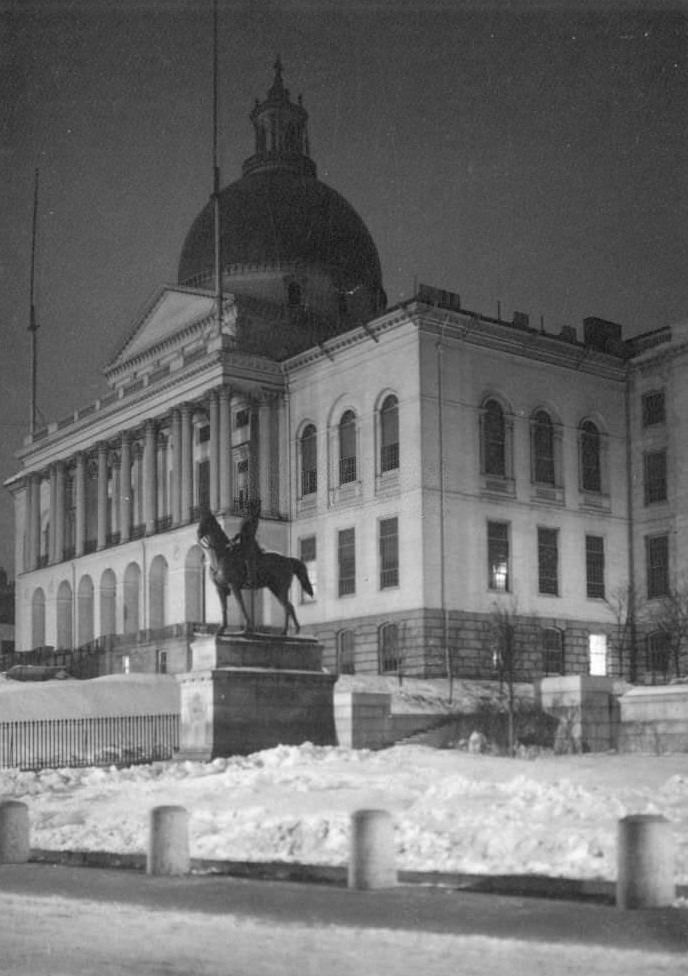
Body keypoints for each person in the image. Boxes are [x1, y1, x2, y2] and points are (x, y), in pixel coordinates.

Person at [235, 498, 262, 588]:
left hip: (249, 542)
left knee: (248, 558)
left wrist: (239, 536)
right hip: (243, 541)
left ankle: (251, 580)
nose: (246, 509)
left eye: (248, 508)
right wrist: (235, 538)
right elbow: (241, 531)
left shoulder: (253, 519)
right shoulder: (246, 519)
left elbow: (250, 531)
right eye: (246, 508)